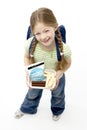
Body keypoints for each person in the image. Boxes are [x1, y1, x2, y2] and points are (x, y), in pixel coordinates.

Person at [15, 7, 72, 121]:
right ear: (33, 33)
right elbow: (26, 57)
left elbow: (68, 63)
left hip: (56, 74)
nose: (43, 37)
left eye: (46, 30)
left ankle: (57, 110)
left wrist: (59, 73)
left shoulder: (64, 48)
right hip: (37, 72)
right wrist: (28, 70)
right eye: (38, 33)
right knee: (32, 93)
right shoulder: (30, 44)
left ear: (55, 27)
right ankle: (28, 108)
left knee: (58, 95)